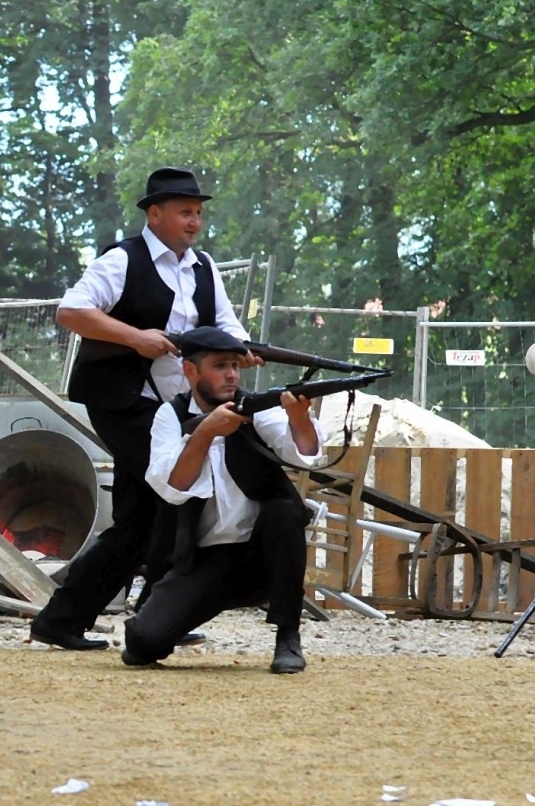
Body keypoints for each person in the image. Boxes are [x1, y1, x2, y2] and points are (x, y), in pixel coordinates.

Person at [28, 167, 255, 651]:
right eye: (184, 212)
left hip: (169, 409)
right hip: (123, 400)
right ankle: (156, 611)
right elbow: (71, 311)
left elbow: (228, 327)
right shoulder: (122, 259)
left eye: (197, 213)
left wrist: (241, 349)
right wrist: (135, 338)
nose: (194, 222)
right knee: (174, 494)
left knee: (141, 519)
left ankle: (76, 619)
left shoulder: (204, 268)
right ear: (155, 214)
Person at [121, 327, 325, 673]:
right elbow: (171, 485)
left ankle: (288, 636)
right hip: (205, 560)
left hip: (263, 553)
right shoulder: (170, 417)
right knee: (143, 644)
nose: (231, 374)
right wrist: (205, 432)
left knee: (283, 512)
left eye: (235, 365)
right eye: (220, 366)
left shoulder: (258, 407)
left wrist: (299, 419)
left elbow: (306, 453)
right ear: (191, 370)